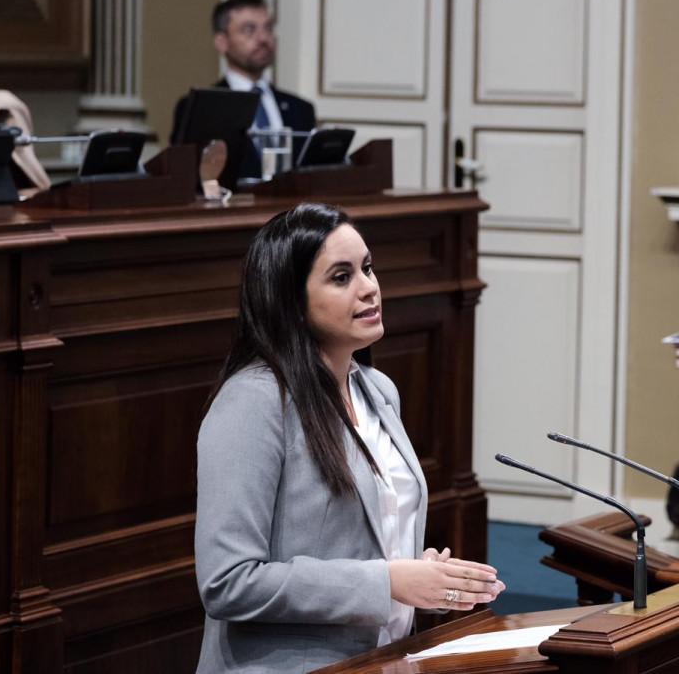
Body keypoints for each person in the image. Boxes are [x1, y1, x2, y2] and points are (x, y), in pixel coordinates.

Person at [194, 203, 504, 673]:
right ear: (291, 301)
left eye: (367, 267)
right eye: (341, 277)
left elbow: (366, 546)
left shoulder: (378, 390)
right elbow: (228, 582)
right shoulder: (253, 403)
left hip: (385, 659)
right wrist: (389, 582)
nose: (369, 288)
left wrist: (427, 580)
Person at [173, 0, 316, 179]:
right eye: (249, 30)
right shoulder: (199, 107)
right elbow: (185, 176)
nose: (263, 38)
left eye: (269, 28)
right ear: (222, 42)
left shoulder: (300, 108)